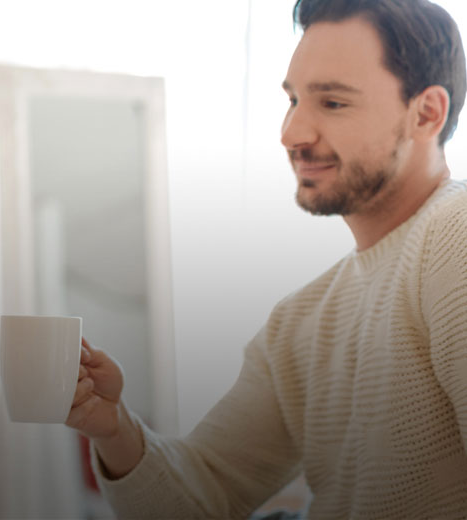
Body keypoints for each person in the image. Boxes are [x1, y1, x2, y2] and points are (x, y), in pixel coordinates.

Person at [65, 0, 467, 518]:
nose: (292, 133)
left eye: (333, 103)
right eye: (294, 99)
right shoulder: (301, 321)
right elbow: (198, 500)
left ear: (427, 112)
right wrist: (112, 425)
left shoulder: (454, 234)